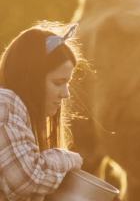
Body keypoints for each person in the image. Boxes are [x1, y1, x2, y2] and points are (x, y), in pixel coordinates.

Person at [0, 22, 84, 200]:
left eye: (67, 83)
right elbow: (28, 178)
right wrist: (70, 159)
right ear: (31, 78)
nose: (66, 94)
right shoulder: (5, 103)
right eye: (58, 82)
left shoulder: (18, 114)